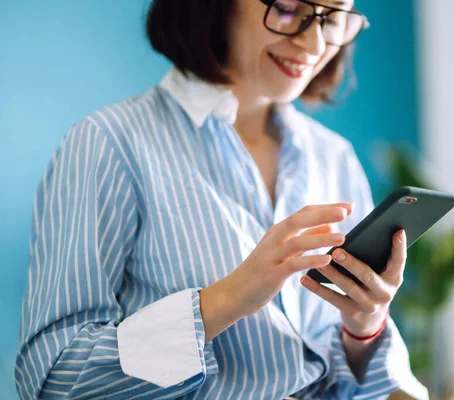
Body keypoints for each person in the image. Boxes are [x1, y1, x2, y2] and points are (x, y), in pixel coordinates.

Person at [15, 0, 427, 399]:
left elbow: (355, 386)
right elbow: (54, 379)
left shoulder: (333, 157)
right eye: (286, 9)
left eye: (332, 18)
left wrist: (364, 323)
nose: (315, 45)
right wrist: (227, 298)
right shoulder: (109, 144)